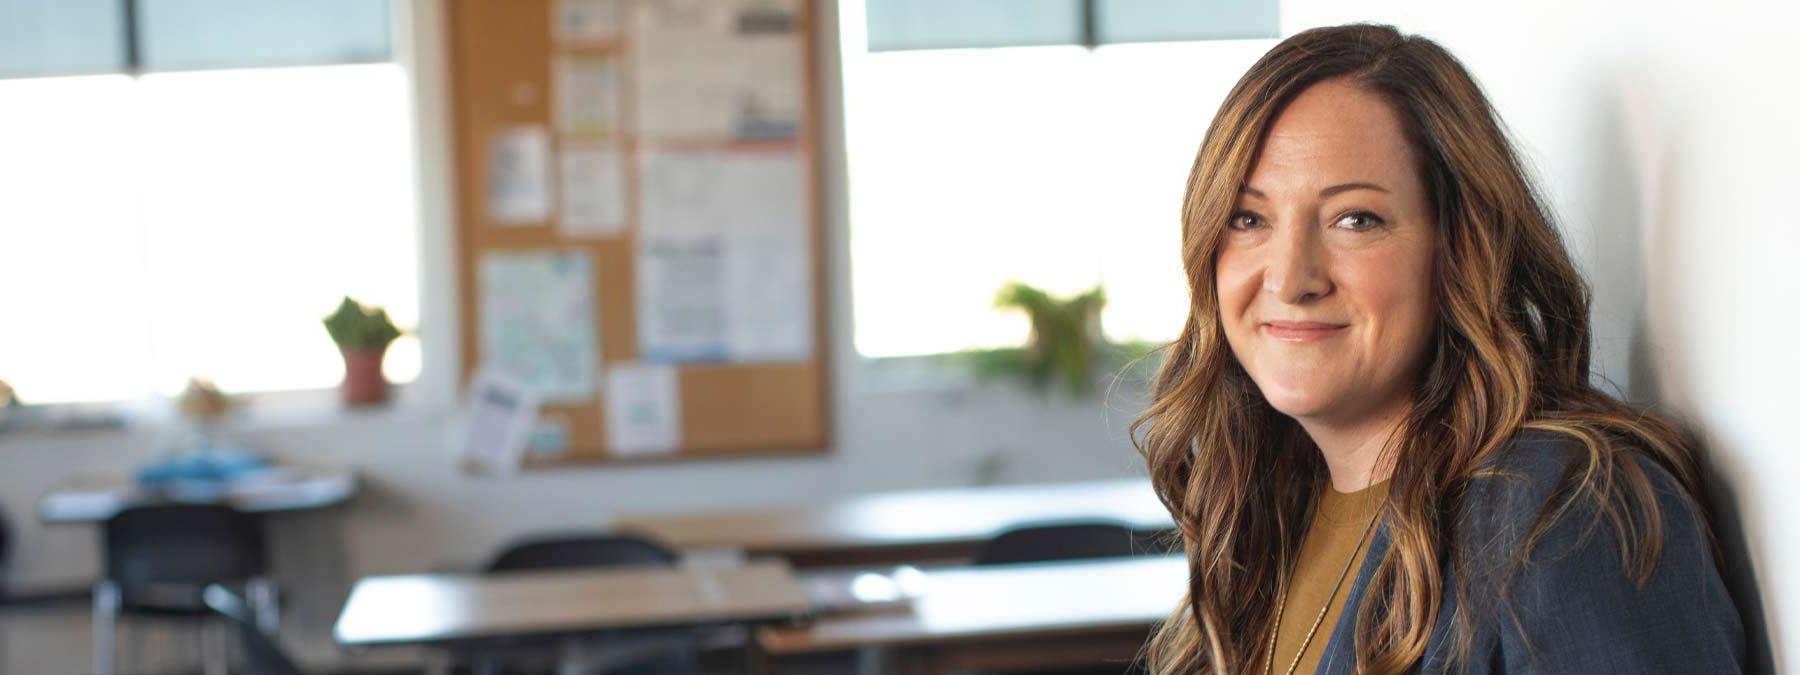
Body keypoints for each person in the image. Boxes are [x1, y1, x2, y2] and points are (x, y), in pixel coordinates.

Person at [1131, 23, 1745, 675]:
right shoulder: (1268, 510)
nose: (1289, 278)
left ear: (1457, 247)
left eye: (1355, 219)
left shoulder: (1566, 510)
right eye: (1248, 218)